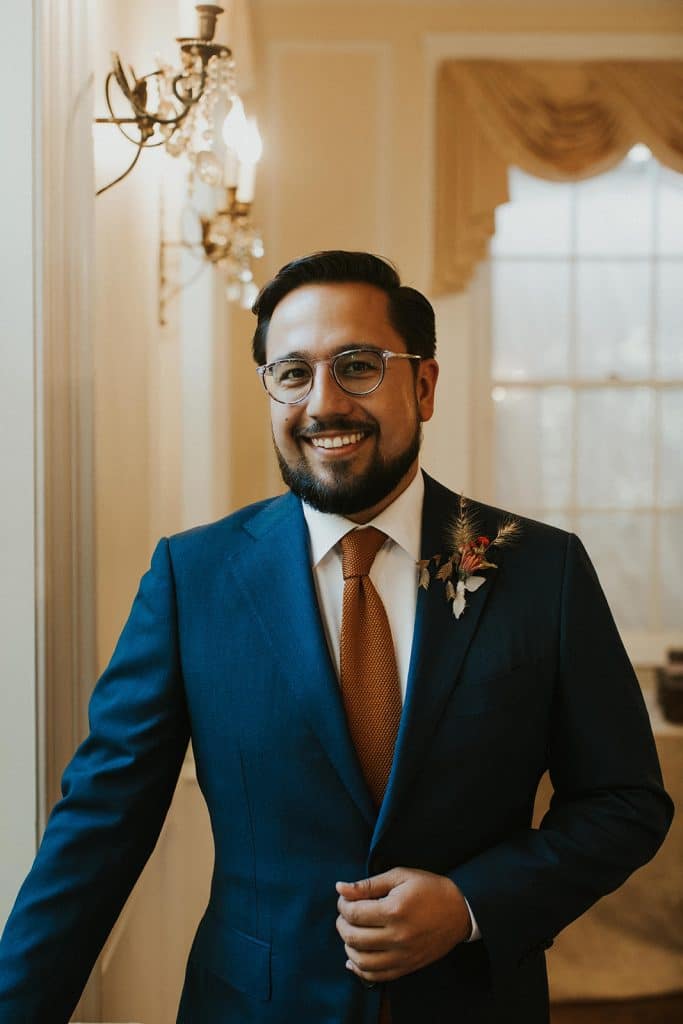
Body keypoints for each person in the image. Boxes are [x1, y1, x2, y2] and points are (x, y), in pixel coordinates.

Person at [0, 251, 673, 1024]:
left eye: (357, 367)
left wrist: (469, 904)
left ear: (423, 386)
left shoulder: (540, 570)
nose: (322, 403)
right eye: (292, 373)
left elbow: (623, 802)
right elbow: (100, 826)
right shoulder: (194, 578)